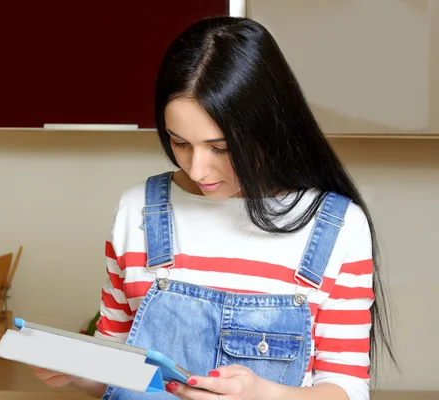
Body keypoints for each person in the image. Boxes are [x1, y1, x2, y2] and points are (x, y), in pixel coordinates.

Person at [33, 16, 395, 400]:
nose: (197, 169)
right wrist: (77, 368)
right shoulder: (137, 210)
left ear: (269, 128)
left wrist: (263, 394)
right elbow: (120, 374)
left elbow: (347, 390)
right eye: (179, 143)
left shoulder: (338, 228)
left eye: (220, 148)